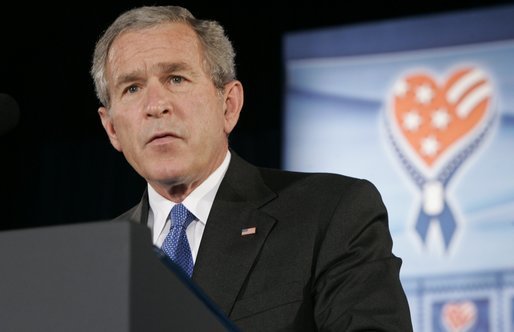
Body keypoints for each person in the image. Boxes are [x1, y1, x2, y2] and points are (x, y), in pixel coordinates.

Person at [91, 5, 413, 331]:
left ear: (228, 105)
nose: (155, 105)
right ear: (112, 128)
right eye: (132, 87)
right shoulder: (93, 262)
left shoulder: (331, 212)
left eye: (176, 78)